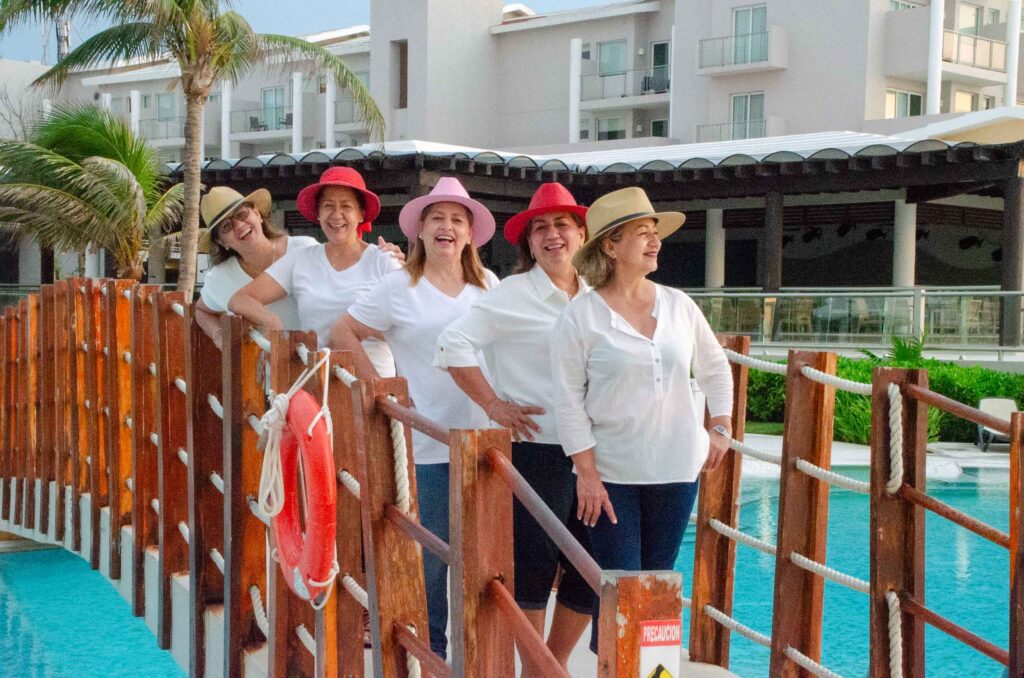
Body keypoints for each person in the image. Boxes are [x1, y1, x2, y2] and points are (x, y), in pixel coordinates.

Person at [550, 186, 734, 653]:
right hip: (610, 478)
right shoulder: (580, 317)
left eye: (655, 233)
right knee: (624, 589)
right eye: (641, 233)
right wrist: (586, 474)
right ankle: (619, 661)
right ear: (610, 245)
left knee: (656, 594)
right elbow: (568, 400)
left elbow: (715, 367)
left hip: (676, 470)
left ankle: (645, 669)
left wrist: (720, 426)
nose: (654, 242)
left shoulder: (679, 304)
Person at [332, 176, 499, 660]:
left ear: (470, 233)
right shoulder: (398, 286)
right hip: (424, 442)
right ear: (420, 230)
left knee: (483, 562)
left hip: (486, 440)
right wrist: (379, 390)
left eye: (457, 220)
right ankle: (431, 659)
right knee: (430, 562)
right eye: (437, 218)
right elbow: (343, 330)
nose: (446, 227)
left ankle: (473, 661)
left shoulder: (490, 285)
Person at [434, 183, 593, 673]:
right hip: (536, 451)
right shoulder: (513, 294)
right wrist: (494, 405)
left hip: (597, 455)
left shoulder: (597, 297)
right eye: (539, 228)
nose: (551, 236)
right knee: (533, 569)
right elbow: (452, 343)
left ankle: (552, 664)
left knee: (590, 571)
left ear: (582, 234)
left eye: (561, 225)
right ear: (527, 243)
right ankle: (539, 669)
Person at [228, 166, 403, 374]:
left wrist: (360, 330)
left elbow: (408, 325)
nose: (336, 215)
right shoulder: (301, 258)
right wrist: (274, 325)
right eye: (328, 206)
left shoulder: (384, 261)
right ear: (318, 214)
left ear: (361, 214)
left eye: (346, 206)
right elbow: (240, 299)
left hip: (374, 384)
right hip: (318, 384)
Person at [194, 186, 318, 348]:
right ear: (221, 242)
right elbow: (201, 311)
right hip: (271, 369)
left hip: (324, 360)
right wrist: (219, 335)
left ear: (257, 214)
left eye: (241, 214)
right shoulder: (221, 278)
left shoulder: (304, 249)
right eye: (226, 226)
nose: (239, 225)